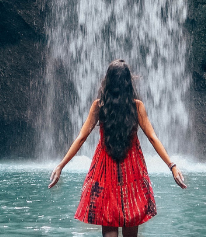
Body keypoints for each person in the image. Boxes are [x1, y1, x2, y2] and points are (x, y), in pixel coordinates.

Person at [48, 59, 188, 237]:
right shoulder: (137, 106)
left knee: (109, 226)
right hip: (132, 171)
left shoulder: (99, 106)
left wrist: (61, 165)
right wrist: (172, 166)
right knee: (131, 226)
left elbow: (81, 138)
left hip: (104, 171)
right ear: (129, 82)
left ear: (107, 80)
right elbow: (153, 138)